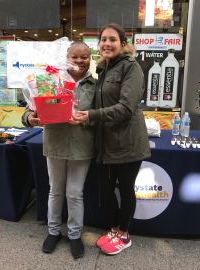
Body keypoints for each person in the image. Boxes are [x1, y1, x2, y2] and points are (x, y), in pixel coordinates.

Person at [73, 23, 151, 255]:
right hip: (105, 143)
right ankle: (115, 229)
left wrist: (91, 116)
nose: (107, 43)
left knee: (126, 190)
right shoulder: (102, 68)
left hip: (127, 142)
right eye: (103, 39)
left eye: (112, 39)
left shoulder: (131, 67)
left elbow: (126, 108)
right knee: (106, 192)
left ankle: (124, 234)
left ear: (123, 44)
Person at [22, 41, 96, 259]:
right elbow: (30, 108)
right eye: (75, 57)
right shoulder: (52, 79)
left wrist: (86, 119)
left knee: (75, 193)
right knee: (55, 190)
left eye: (85, 57)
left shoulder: (94, 84)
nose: (80, 61)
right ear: (67, 58)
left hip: (82, 146)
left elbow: (101, 115)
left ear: (90, 58)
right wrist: (31, 118)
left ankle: (74, 235)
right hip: (55, 143)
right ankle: (53, 232)